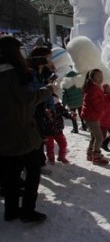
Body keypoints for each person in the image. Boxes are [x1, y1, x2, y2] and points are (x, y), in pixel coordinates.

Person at [0, 36, 55, 222]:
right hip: (20, 132)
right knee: (33, 170)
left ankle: (11, 210)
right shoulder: (12, 74)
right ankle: (27, 210)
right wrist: (48, 90)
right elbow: (26, 98)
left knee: (11, 174)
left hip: (4, 135)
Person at [80, 69, 109, 165]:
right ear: (91, 78)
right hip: (91, 117)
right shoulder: (93, 90)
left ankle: (90, 153)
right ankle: (96, 156)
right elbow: (98, 106)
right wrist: (107, 103)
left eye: (101, 76)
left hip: (92, 116)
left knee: (94, 136)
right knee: (99, 137)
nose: (101, 78)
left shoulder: (95, 87)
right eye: (98, 76)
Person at [42, 96, 71, 165]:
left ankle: (61, 157)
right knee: (50, 146)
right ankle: (51, 159)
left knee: (63, 144)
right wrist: (47, 116)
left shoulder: (59, 106)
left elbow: (65, 113)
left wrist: (70, 115)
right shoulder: (43, 108)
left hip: (58, 130)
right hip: (47, 132)